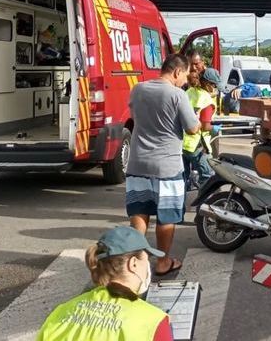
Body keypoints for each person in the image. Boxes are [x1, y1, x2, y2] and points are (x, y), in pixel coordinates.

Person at [125, 53, 199, 276]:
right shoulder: (178, 95)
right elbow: (192, 128)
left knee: (139, 211)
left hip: (137, 163)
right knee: (166, 216)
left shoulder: (137, 89)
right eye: (184, 76)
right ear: (177, 71)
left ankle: (138, 260)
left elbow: (136, 116)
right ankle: (163, 262)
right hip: (167, 167)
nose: (185, 81)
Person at [37, 226, 173, 340]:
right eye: (146, 259)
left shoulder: (62, 311)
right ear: (133, 264)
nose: (148, 265)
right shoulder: (153, 321)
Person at [183, 68, 222, 190]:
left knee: (182, 178)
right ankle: (205, 205)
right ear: (207, 83)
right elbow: (205, 126)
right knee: (208, 177)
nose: (215, 88)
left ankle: (179, 206)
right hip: (197, 145)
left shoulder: (188, 92)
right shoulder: (206, 99)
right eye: (214, 85)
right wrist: (215, 128)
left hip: (182, 143)